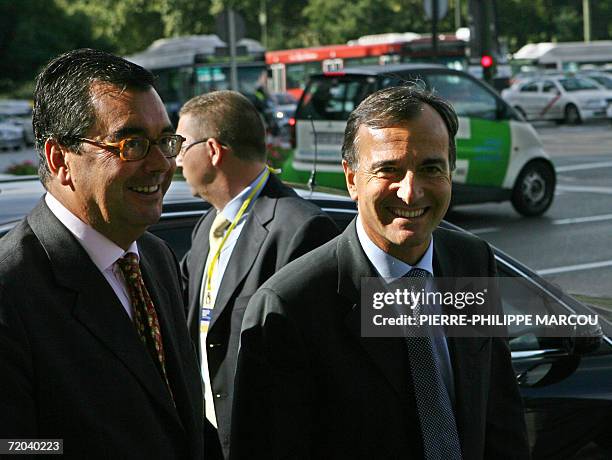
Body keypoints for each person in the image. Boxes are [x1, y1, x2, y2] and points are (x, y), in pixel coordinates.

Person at [231, 86, 530, 459]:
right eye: (389, 169)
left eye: (431, 168)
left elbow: (499, 411)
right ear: (352, 179)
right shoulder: (290, 308)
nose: (410, 191)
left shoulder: (471, 261)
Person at [0, 49, 204, 459]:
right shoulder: (12, 289)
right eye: (132, 144)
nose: (161, 163)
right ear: (61, 159)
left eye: (165, 140)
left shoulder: (155, 256)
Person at [176, 90, 338, 458]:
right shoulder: (206, 227)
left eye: (181, 146)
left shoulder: (302, 228)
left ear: (213, 150)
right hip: (207, 440)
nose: (176, 160)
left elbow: (321, 363)